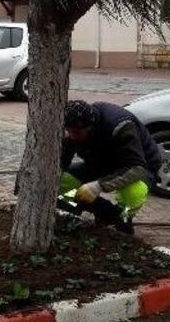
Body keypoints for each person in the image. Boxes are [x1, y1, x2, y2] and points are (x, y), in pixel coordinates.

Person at [58, 100, 162, 235]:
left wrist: (99, 186)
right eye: (69, 131)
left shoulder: (121, 126)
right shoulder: (74, 129)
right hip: (102, 163)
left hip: (138, 166)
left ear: (90, 127)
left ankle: (124, 218)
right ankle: (104, 211)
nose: (72, 136)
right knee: (61, 182)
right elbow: (62, 162)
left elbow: (137, 167)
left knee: (134, 192)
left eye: (76, 132)